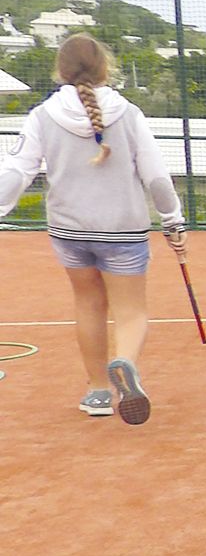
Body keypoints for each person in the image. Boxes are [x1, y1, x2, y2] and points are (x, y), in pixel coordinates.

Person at [0, 34, 186, 424]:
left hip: (69, 231)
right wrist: (172, 220)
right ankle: (125, 362)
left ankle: (98, 391)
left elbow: (16, 172)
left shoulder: (42, 115)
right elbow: (156, 177)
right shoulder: (129, 113)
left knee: (88, 305)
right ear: (106, 67)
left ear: (60, 70)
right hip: (123, 230)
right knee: (130, 311)